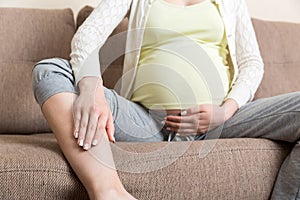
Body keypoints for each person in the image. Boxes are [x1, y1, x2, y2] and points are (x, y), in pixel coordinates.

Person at [32, 0, 300, 199]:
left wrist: (225, 111)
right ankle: (109, 192)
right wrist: (92, 91)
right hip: (146, 120)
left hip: (223, 122)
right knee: (49, 70)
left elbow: (252, 63)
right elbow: (88, 35)